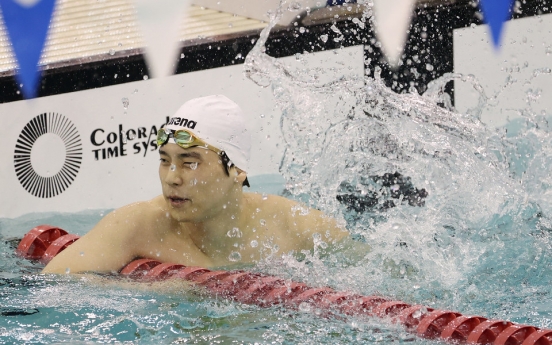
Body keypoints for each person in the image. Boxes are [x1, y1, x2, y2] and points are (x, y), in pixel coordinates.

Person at [43, 95, 348, 274]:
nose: (173, 177)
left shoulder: (296, 227)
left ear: (238, 169)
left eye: (190, 163)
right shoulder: (138, 225)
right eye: (165, 160)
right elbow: (52, 287)